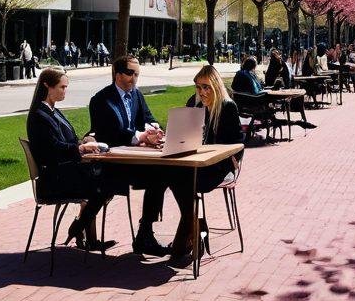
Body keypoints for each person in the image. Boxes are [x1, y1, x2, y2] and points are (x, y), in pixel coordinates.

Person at [88, 56, 191, 256]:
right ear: (118, 75)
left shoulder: (136, 95)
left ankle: (146, 232)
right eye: (130, 74)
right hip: (112, 166)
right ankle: (146, 235)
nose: (134, 79)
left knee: (162, 173)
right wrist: (141, 136)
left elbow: (148, 118)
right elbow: (111, 133)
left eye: (137, 74)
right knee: (159, 175)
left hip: (136, 160)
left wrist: (155, 130)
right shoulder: (101, 100)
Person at [26, 68, 115, 252]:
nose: (65, 91)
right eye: (62, 87)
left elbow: (67, 141)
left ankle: (83, 231)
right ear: (47, 86)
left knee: (107, 180)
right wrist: (80, 148)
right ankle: (79, 229)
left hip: (64, 173)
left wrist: (84, 141)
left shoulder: (52, 112)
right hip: (54, 180)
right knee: (105, 186)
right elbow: (52, 149)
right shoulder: (39, 115)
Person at [172, 65, 245, 261]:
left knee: (186, 181)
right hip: (196, 164)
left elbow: (238, 145)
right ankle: (196, 225)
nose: (202, 92)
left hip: (220, 166)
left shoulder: (227, 107)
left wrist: (219, 159)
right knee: (173, 176)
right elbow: (183, 134)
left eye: (206, 87)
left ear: (215, 86)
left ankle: (187, 237)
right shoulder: (195, 105)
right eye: (198, 87)